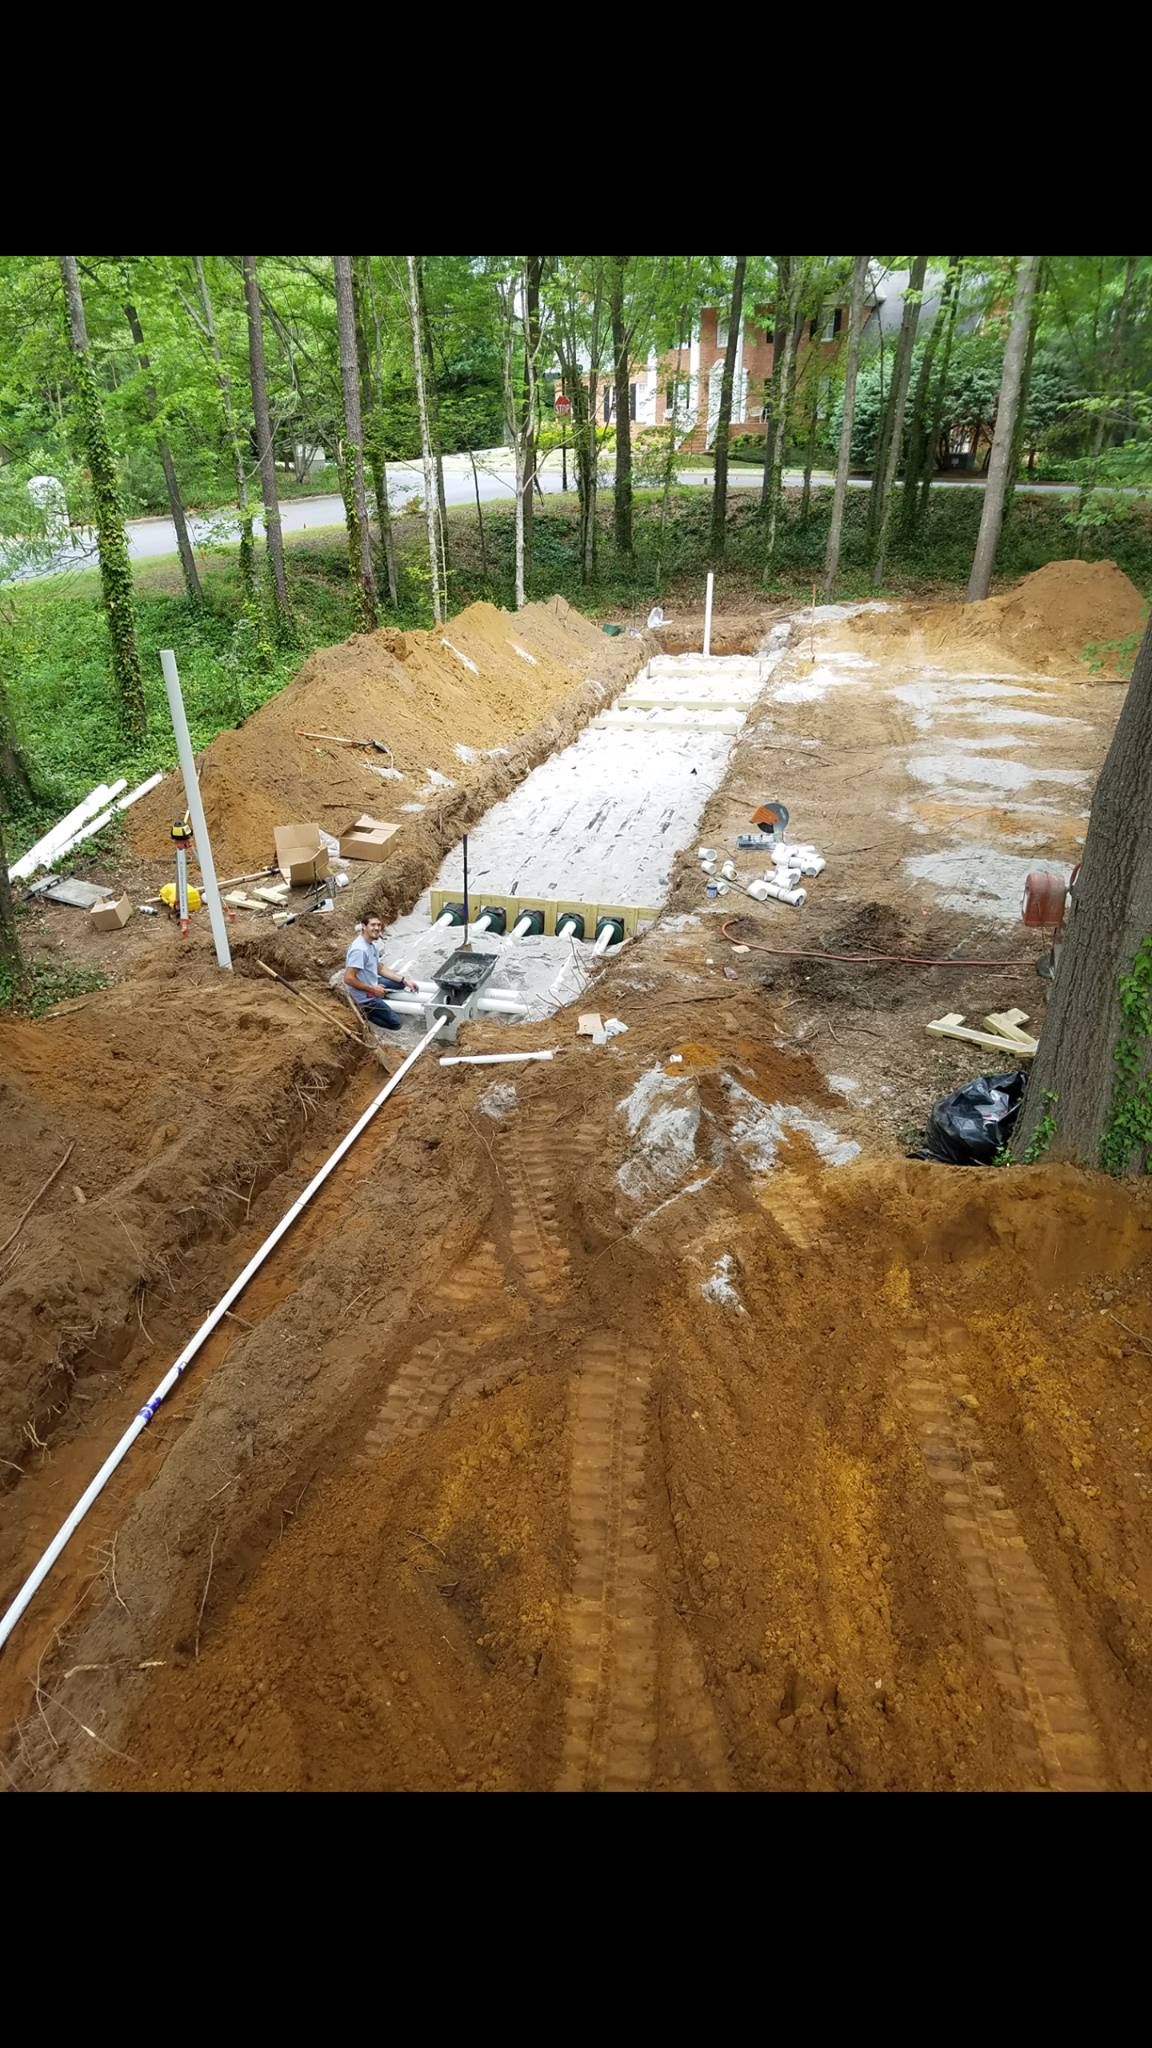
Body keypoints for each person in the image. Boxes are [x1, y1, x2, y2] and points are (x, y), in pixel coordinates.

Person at [344, 916, 418, 1028]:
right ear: (364, 926)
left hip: (372, 983)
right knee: (396, 1023)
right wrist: (373, 989)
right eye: (373, 925)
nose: (377, 928)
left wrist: (404, 980)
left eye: (378, 925)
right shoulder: (359, 950)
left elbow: (379, 969)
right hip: (363, 997)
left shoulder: (370, 945)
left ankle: (381, 993)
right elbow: (348, 978)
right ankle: (363, 1011)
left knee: (400, 984)